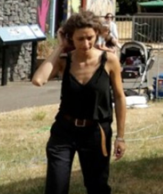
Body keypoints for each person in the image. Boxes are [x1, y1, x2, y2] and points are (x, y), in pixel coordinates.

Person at [32, 11, 127, 194]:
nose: (86, 44)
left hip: (96, 132)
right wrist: (60, 47)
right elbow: (38, 80)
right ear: (71, 38)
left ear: (97, 34)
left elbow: (119, 97)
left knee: (97, 187)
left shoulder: (109, 60)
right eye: (80, 39)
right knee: (56, 188)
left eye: (90, 38)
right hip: (64, 131)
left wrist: (120, 137)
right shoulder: (64, 61)